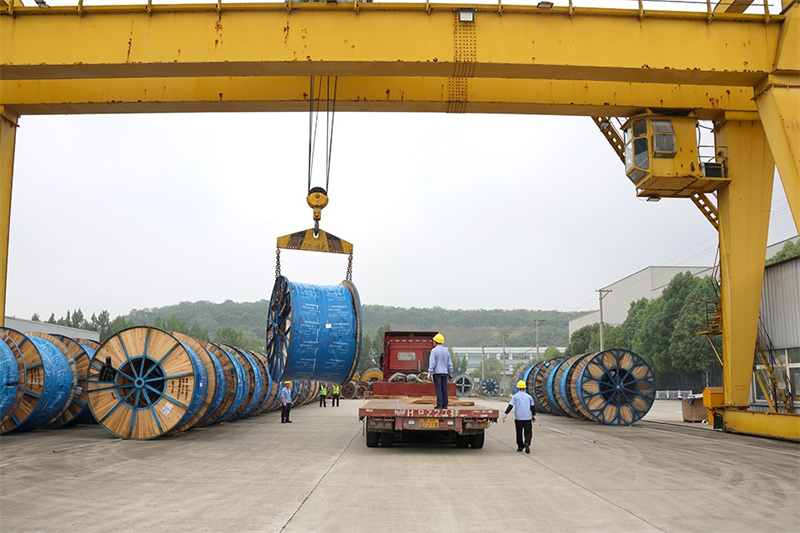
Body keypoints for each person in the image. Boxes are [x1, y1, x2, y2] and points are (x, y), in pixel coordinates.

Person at [503, 380, 536, 453]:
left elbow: (510, 406)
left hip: (518, 418)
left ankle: (520, 447)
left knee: (519, 432)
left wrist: (505, 414)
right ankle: (527, 442)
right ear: (525, 388)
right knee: (528, 432)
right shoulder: (529, 397)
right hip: (527, 418)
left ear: (517, 388)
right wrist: (533, 415)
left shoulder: (515, 396)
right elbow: (532, 407)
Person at [428, 333, 453, 409]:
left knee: (438, 388)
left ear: (435, 341)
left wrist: (430, 372)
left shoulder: (434, 351)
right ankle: (445, 405)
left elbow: (432, 363)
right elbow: (449, 363)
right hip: (445, 373)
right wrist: (450, 372)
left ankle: (439, 404)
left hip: (437, 373)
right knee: (444, 388)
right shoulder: (446, 351)